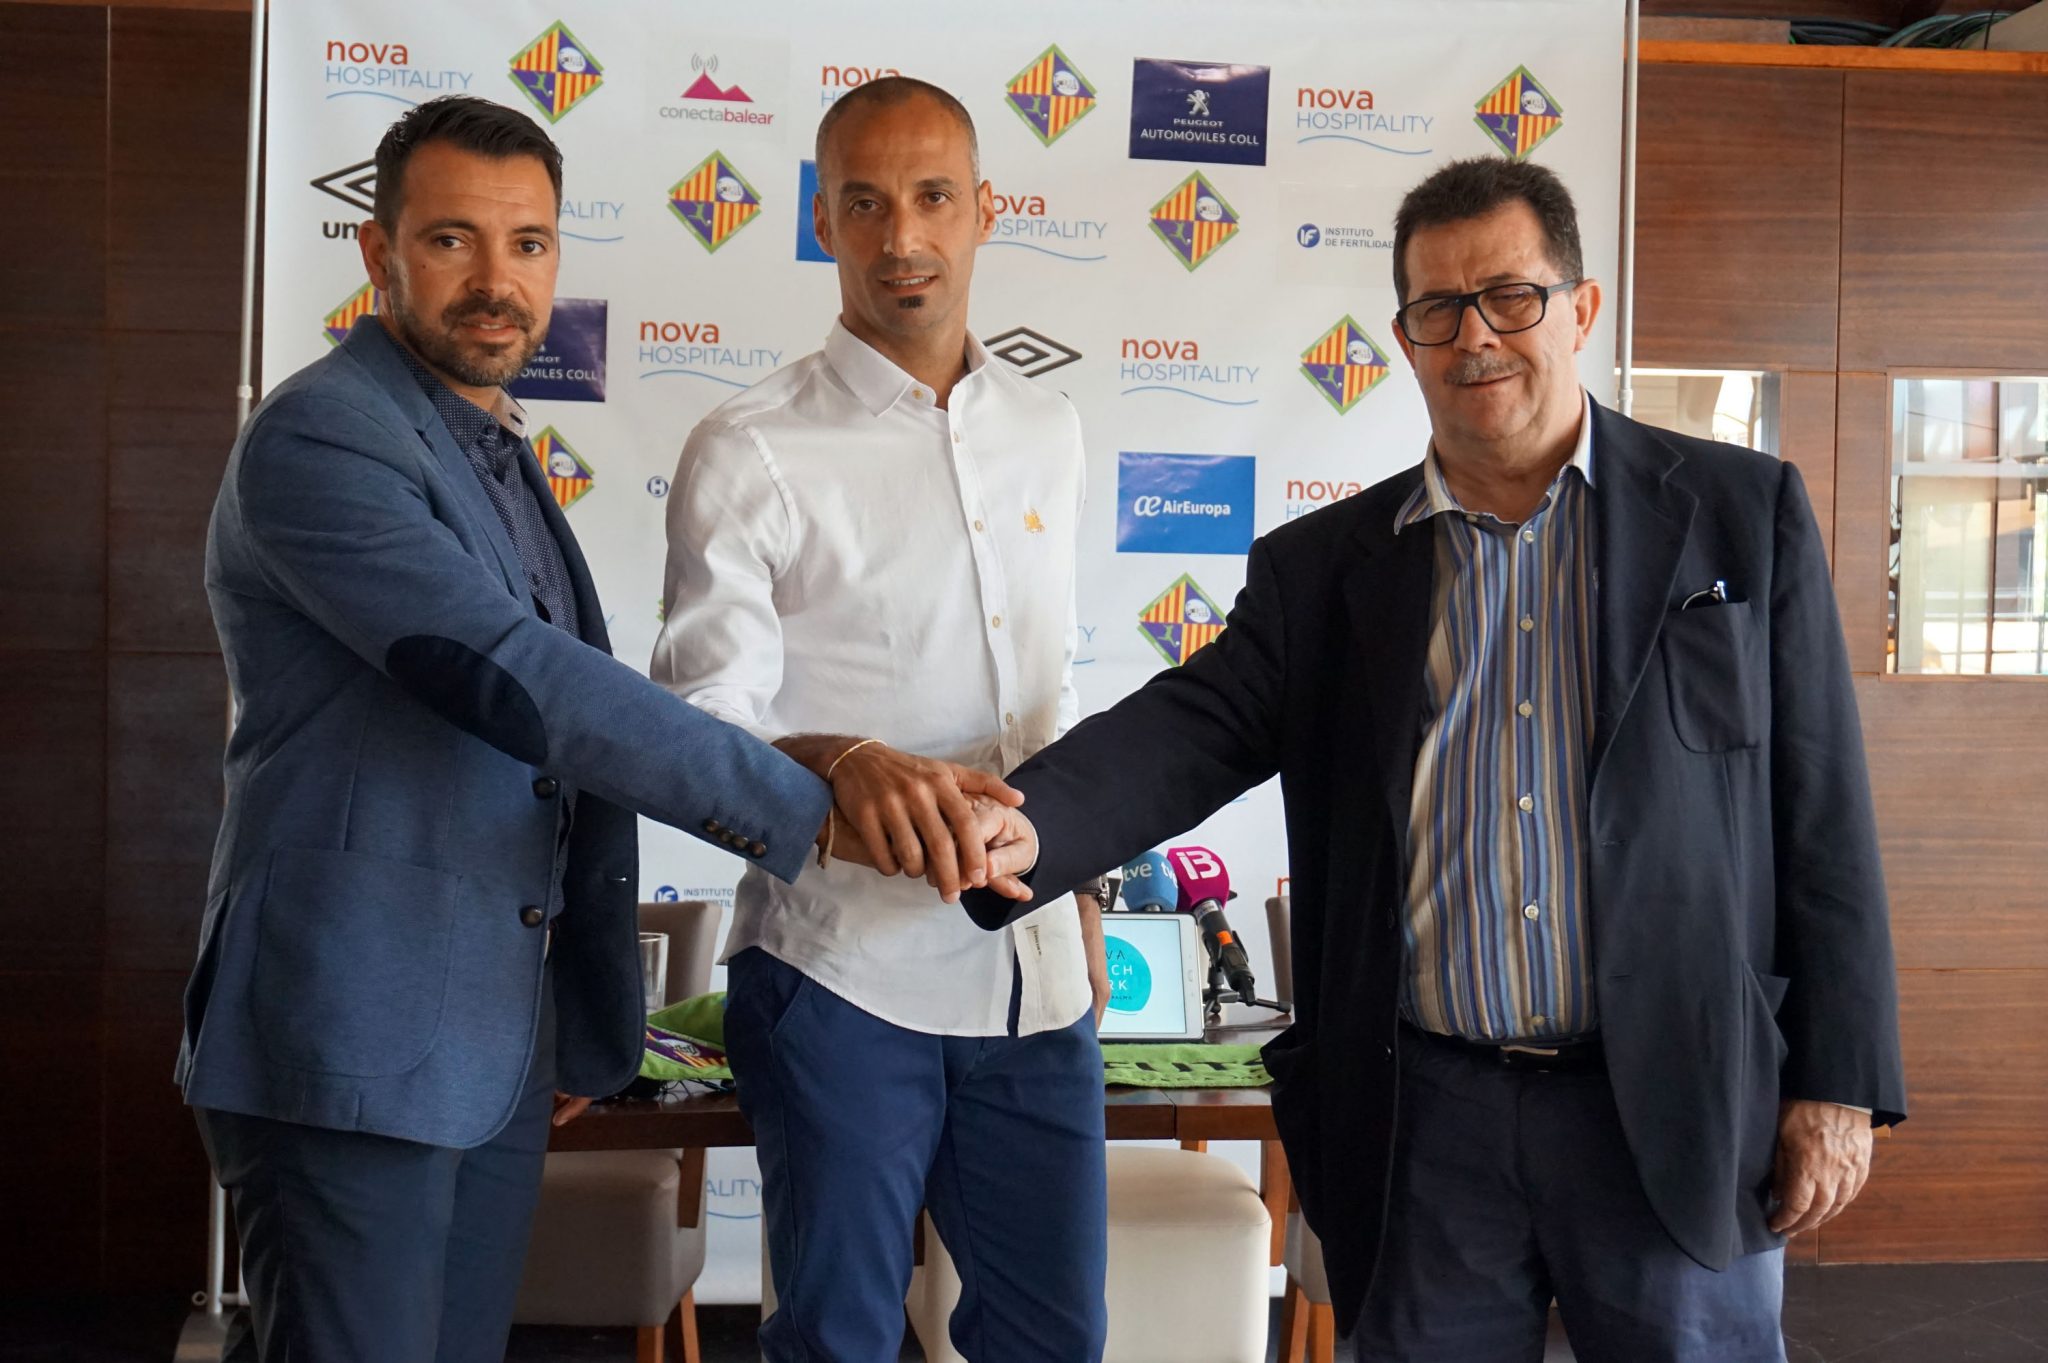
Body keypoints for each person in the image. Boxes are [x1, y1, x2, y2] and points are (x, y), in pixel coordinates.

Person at [962, 158, 1907, 1363]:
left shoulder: (1735, 511)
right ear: (1403, 337)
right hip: (1423, 1124)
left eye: (1510, 296)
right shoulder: (1322, 569)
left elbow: (1820, 812)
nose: (1475, 337)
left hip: (1675, 1100)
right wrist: (1027, 825)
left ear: (1580, 308)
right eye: (1437, 309)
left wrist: (1837, 1080)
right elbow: (1190, 726)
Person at [182, 94, 1013, 1363]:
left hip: (485, 1049)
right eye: (451, 240)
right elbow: (515, 683)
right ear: (377, 252)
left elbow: (542, 775)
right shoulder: (323, 435)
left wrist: (582, 1010)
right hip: (345, 1041)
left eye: (527, 243)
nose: (496, 280)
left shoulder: (490, 448)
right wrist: (816, 806)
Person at [651, 76, 1110, 1363]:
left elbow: (1049, 687)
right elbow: (695, 730)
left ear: (984, 212)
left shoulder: (1049, 428)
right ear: (821, 221)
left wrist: (1082, 873)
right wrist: (839, 760)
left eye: (932, 198)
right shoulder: (746, 446)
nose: (901, 237)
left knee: (1054, 1341)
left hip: (1034, 978)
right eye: (863, 203)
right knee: (836, 1342)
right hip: (838, 973)